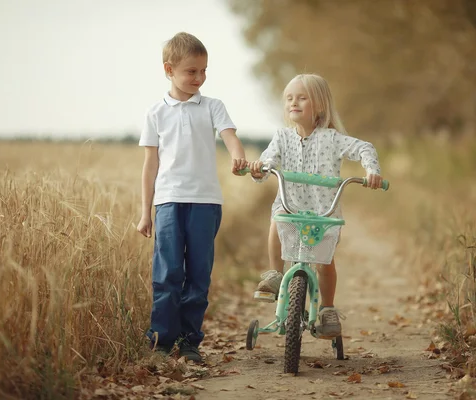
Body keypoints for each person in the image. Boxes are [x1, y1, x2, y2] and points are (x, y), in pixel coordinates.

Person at [137, 32, 247, 362]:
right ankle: (160, 342)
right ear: (169, 69)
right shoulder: (156, 113)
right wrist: (146, 212)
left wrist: (238, 156)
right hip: (168, 201)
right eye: (191, 71)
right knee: (168, 275)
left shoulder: (213, 106)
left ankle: (189, 343)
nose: (198, 78)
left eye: (203, 71)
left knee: (198, 275)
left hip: (206, 202)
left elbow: (229, 136)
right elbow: (150, 165)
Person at [248, 73, 383, 339]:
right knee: (278, 219)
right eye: (289, 98)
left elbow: (364, 148)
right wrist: (258, 170)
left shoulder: (331, 139)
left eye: (301, 97)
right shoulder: (282, 137)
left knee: (325, 262)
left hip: (324, 212)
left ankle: (327, 309)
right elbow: (268, 163)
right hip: (290, 205)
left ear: (319, 105)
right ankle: (275, 273)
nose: (293, 103)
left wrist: (371, 171)